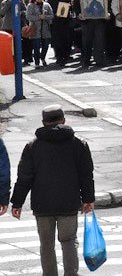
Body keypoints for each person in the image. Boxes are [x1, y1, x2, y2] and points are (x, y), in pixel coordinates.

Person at [11, 105, 95, 276]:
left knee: (46, 245)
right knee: (69, 241)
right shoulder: (79, 144)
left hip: (43, 206)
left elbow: (24, 178)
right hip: (69, 203)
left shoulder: (33, 146)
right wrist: (88, 199)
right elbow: (86, 175)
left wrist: (17, 203)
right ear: (64, 120)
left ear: (43, 123)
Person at [46, 0, 73, 66]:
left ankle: (66, 56)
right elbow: (48, 10)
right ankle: (59, 57)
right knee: (57, 41)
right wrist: (55, 14)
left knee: (67, 40)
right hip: (56, 23)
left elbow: (70, 8)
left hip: (66, 22)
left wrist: (70, 6)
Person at [26, 0, 54, 67]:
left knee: (45, 45)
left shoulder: (46, 5)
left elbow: (52, 15)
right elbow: (28, 16)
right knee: (36, 47)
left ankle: (43, 58)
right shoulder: (30, 5)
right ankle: (37, 62)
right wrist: (38, 17)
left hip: (45, 28)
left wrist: (45, 17)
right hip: (35, 29)